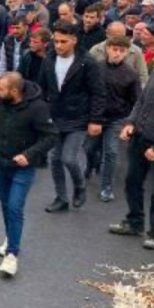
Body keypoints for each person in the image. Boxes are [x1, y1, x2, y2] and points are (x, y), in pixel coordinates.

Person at [0, 72, 57, 277]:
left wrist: (29, 155)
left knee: (15, 207)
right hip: (1, 162)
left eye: (0, 89)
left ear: (15, 91)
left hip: (24, 167)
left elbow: (51, 136)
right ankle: (11, 237)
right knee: (5, 205)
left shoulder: (38, 108)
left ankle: (11, 255)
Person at [38, 23, 106, 213]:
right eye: (56, 41)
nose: (58, 45)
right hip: (55, 116)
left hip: (79, 118)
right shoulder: (49, 59)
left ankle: (79, 186)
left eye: (63, 42)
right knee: (55, 159)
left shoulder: (87, 62)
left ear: (74, 40)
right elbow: (41, 88)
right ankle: (61, 198)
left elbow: (98, 93)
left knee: (69, 158)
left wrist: (95, 120)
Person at [86, 37, 141, 203]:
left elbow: (136, 99)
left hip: (116, 118)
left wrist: (130, 121)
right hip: (95, 117)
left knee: (111, 152)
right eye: (115, 49)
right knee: (90, 148)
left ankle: (106, 186)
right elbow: (86, 91)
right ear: (107, 49)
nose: (118, 53)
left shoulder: (131, 74)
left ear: (126, 53)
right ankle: (90, 165)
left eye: (122, 51)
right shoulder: (95, 68)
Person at [110, 67, 154, 249]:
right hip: (141, 138)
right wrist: (130, 123)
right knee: (132, 181)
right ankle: (134, 222)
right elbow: (141, 102)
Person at [90, 21, 149, 86]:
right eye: (115, 36)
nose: (118, 40)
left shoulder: (136, 51)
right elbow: (88, 73)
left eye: (121, 36)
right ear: (107, 34)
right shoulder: (95, 50)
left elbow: (143, 76)